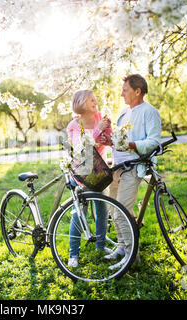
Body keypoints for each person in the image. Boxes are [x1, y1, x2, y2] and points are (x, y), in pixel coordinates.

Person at [99, 74, 161, 269]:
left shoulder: (150, 112)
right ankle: (123, 245)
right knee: (113, 209)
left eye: (125, 90)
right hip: (117, 168)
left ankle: (131, 255)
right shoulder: (124, 113)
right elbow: (120, 142)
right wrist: (109, 141)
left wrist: (132, 144)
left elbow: (153, 142)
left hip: (134, 167)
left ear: (137, 91)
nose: (121, 94)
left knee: (122, 211)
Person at [66, 89, 113, 267]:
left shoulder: (99, 117)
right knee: (80, 214)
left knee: (102, 210)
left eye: (95, 99)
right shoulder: (74, 125)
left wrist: (108, 131)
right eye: (91, 100)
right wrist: (98, 130)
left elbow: (107, 141)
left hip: (99, 172)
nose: (95, 102)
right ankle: (74, 254)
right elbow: (81, 150)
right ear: (81, 104)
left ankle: (101, 246)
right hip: (83, 174)